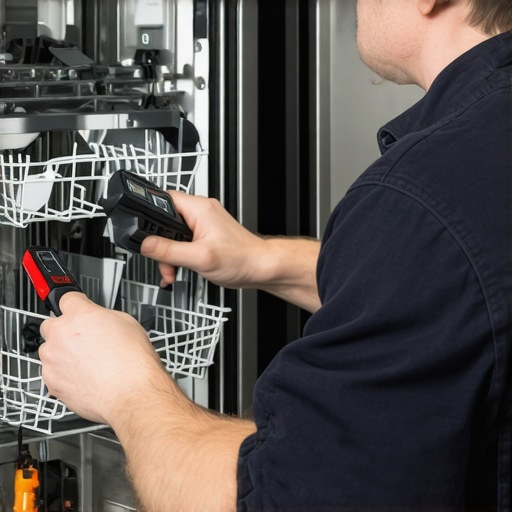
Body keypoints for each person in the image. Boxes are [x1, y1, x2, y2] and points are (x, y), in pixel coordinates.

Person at [39, 0, 512, 510]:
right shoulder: (468, 170)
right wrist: (263, 258)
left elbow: (280, 498)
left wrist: (124, 387)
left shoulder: (417, 197)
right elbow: (460, 293)